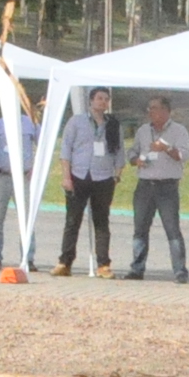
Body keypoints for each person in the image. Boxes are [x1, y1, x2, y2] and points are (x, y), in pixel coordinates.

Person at [123, 95, 189, 284]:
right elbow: (132, 151)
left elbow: (184, 155)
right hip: (145, 185)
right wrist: (135, 160)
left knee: (172, 229)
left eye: (154, 108)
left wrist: (166, 149)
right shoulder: (144, 131)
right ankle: (137, 269)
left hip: (167, 186)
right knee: (140, 229)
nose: (151, 112)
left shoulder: (179, 131)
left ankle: (179, 271)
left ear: (165, 111)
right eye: (149, 109)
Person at [56, 86, 122, 277]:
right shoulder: (77, 122)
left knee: (101, 222)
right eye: (99, 98)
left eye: (106, 99)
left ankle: (103, 264)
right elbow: (66, 150)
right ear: (91, 101)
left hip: (103, 177)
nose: (103, 102)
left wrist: (116, 175)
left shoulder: (113, 124)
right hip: (79, 175)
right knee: (72, 220)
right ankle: (64, 262)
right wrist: (66, 177)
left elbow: (119, 151)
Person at [0, 105, 42, 272]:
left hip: (23, 177)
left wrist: (33, 164)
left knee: (27, 219)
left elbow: (42, 143)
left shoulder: (30, 123)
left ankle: (28, 258)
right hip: (2, 176)